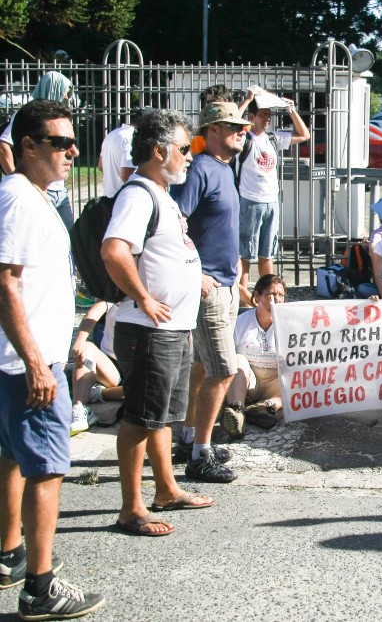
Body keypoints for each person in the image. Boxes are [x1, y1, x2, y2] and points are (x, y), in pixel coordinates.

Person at [0, 99, 104, 617]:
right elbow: (6, 282)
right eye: (61, 143)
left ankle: (11, 552)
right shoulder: (19, 198)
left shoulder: (30, 196)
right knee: (47, 469)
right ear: (29, 147)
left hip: (19, 360)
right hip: (29, 363)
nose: (72, 151)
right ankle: (40, 588)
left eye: (72, 141)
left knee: (13, 457)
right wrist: (38, 362)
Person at [102, 108, 214, 535]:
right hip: (149, 331)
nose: (190, 156)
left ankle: (165, 489)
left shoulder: (161, 192)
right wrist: (145, 298)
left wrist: (193, 276)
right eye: (185, 149)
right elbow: (114, 251)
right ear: (158, 151)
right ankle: (131, 508)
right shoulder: (139, 195)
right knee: (139, 417)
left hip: (172, 329)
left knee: (163, 416)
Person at [173, 101, 250, 484]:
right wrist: (197, 271)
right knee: (223, 369)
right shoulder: (201, 169)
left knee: (203, 366)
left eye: (243, 124)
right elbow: (175, 222)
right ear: (213, 129)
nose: (243, 130)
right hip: (210, 287)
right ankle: (200, 455)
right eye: (234, 125)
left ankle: (190, 438)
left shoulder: (224, 166)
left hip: (227, 282)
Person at [235, 90, 310, 305]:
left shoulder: (273, 138)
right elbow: (233, 127)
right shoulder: (245, 138)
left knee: (267, 252)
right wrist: (248, 100)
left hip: (271, 200)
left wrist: (291, 110)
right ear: (252, 117)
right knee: (245, 253)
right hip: (250, 200)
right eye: (262, 114)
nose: (267, 118)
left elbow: (304, 135)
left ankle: (269, 296)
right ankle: (244, 299)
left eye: (268, 114)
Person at [0, 72, 76, 232]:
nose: (74, 152)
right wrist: (15, 176)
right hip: (35, 190)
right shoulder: (28, 116)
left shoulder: (60, 119)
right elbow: (3, 145)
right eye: (62, 142)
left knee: (68, 241)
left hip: (57, 192)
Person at [220, 275, 287, 438]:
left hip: (276, 383)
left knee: (303, 377)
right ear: (257, 296)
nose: (276, 300)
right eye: (271, 294)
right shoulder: (241, 322)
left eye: (281, 295)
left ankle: (264, 407)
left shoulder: (289, 324)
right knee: (237, 360)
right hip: (249, 382)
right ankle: (237, 411)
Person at [68, 301, 124, 436]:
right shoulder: (115, 293)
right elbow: (93, 313)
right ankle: (79, 408)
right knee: (86, 348)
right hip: (111, 365)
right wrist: (79, 341)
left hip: (141, 367)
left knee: (144, 394)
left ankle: (99, 393)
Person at [98, 113, 137, 198]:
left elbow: (101, 166)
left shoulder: (112, 134)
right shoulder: (132, 138)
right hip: (124, 197)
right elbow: (126, 175)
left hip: (108, 195)